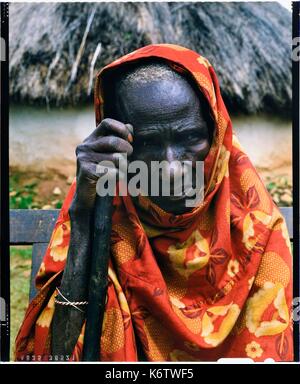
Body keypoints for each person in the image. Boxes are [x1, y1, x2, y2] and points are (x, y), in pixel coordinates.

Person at [15, 44, 293, 362]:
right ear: (117, 142)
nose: (172, 168)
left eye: (191, 138)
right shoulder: (104, 201)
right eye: (146, 142)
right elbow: (53, 356)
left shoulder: (255, 226)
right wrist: (82, 221)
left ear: (216, 131)